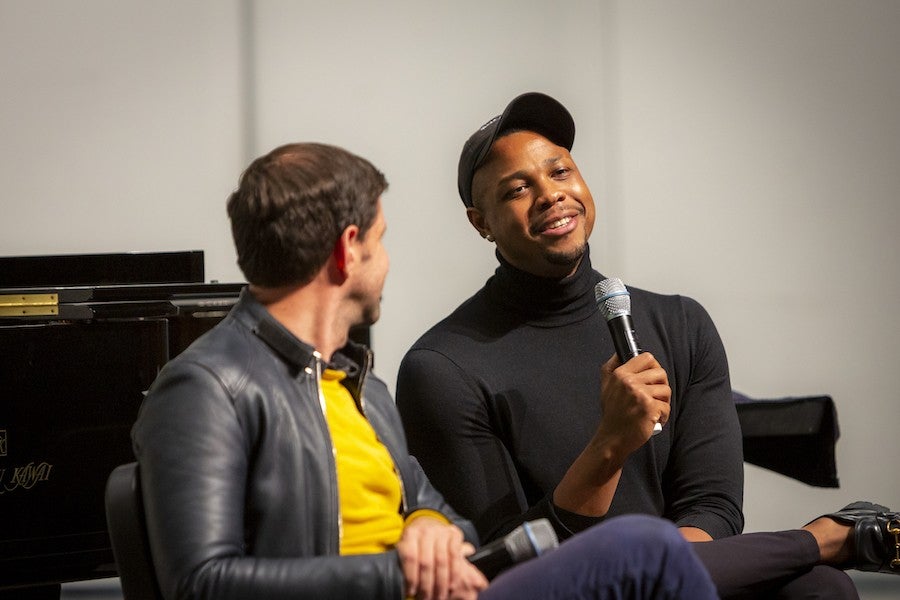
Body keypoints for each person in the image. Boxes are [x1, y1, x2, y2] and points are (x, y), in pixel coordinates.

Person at [131, 141, 720, 600]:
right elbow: (200, 585)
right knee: (645, 548)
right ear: (347, 250)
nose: (387, 263)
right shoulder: (206, 388)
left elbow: (451, 524)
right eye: (382, 241)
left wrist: (430, 530)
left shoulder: (364, 390)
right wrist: (397, 577)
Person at [395, 92, 900, 599]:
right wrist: (611, 444)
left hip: (677, 582)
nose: (550, 195)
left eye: (561, 172)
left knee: (819, 589)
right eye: (517, 190)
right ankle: (825, 538)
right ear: (480, 223)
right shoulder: (443, 367)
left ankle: (824, 545)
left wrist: (667, 576)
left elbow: (712, 505)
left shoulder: (680, 323)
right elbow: (510, 560)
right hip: (559, 589)